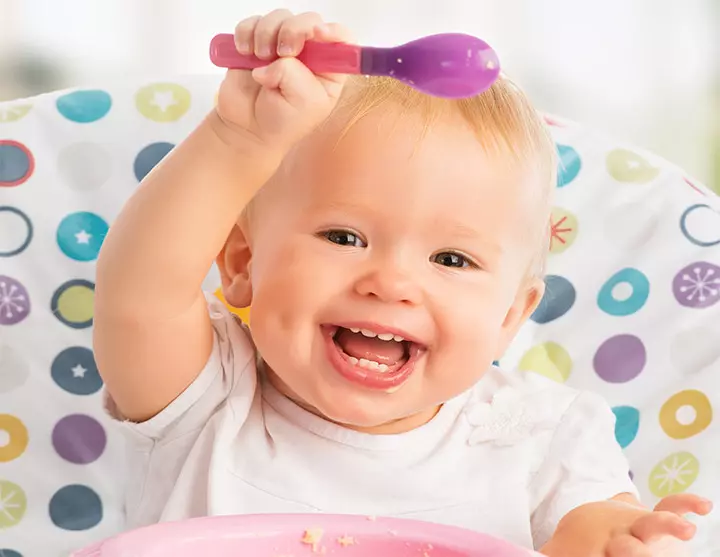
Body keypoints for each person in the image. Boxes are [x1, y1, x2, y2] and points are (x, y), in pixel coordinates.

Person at [94, 10, 712, 556]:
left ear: (509, 318)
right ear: (241, 262)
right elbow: (141, 296)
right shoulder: (207, 392)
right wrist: (238, 139)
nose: (390, 283)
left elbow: (590, 528)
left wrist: (609, 541)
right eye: (343, 238)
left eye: (451, 259)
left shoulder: (544, 437)